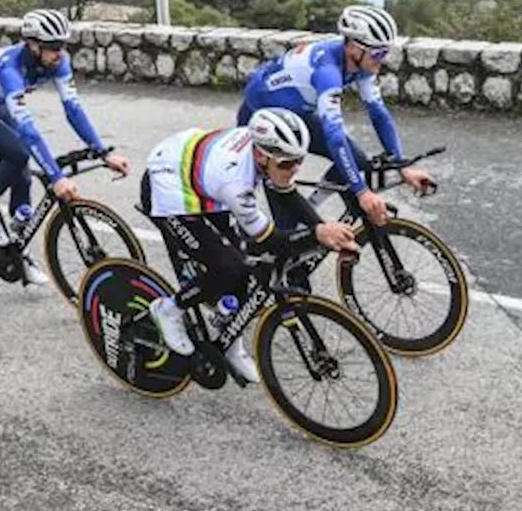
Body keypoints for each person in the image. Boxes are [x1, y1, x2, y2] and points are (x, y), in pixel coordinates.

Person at [141, 107, 360, 384]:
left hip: (199, 177)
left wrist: (323, 231)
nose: (293, 169)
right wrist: (319, 235)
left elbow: (287, 192)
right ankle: (168, 309)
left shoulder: (268, 151)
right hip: (170, 193)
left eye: (298, 161)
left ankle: (231, 343)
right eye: (286, 164)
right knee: (229, 266)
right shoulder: (235, 182)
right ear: (260, 155)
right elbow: (269, 239)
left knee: (246, 263)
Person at [0, 8, 130, 285]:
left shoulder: (59, 62)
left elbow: (74, 110)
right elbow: (28, 131)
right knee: (19, 152)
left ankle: (16, 248)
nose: (60, 52)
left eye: (63, 45)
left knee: (22, 169)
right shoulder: (11, 69)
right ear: (33, 45)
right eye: (53, 47)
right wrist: (56, 178)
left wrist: (103, 151)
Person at [237, 4, 434, 230]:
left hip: (294, 113)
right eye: (377, 53)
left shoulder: (362, 65)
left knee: (357, 160)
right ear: (353, 47)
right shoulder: (328, 71)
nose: (382, 59)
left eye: (385, 52)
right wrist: (361, 192)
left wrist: (403, 167)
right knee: (287, 221)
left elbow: (379, 115)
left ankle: (311, 209)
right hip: (261, 115)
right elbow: (334, 136)